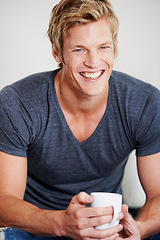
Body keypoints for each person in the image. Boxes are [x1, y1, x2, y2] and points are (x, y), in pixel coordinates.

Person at [0, 0, 160, 239]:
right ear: (57, 51)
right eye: (79, 49)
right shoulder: (17, 102)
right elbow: (4, 203)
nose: (93, 62)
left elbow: (158, 194)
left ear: (115, 47)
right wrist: (61, 223)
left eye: (103, 47)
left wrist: (139, 229)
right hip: (38, 228)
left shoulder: (145, 101)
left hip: (108, 229)